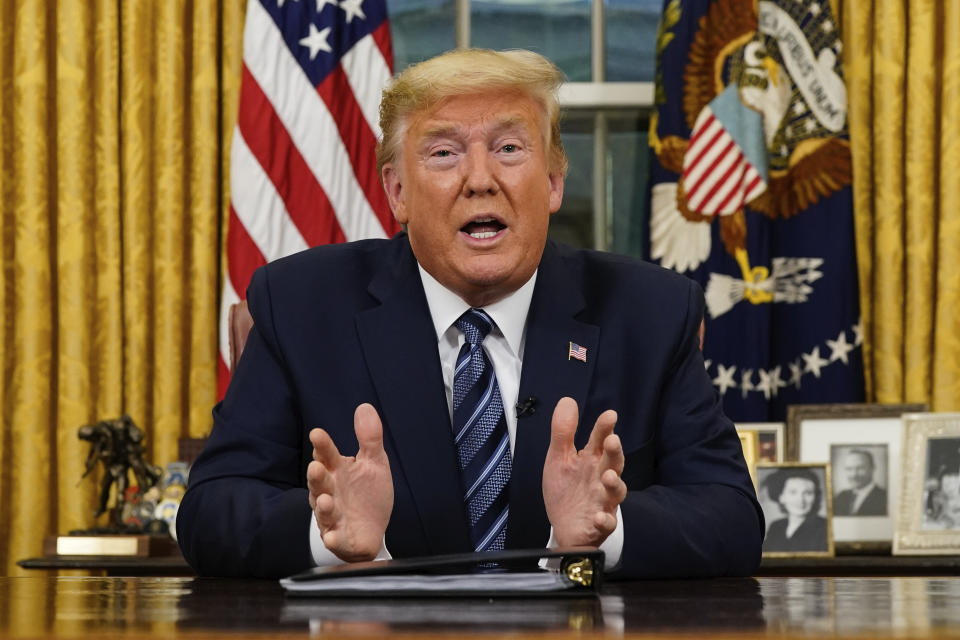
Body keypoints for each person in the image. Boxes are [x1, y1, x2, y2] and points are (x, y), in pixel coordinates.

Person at [176, 48, 763, 579]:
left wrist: (607, 530)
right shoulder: (302, 304)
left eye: (509, 148)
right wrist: (327, 535)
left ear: (554, 182)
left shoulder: (650, 312)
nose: (480, 181)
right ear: (397, 192)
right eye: (444, 153)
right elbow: (210, 509)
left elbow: (731, 517)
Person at [762, 468, 827, 553]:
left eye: (808, 493)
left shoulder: (824, 527)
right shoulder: (776, 527)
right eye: (793, 492)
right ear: (781, 497)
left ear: (815, 497)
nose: (800, 500)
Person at [833, 449, 887, 517]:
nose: (854, 475)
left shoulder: (884, 498)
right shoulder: (841, 497)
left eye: (860, 468)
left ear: (872, 468)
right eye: (849, 469)